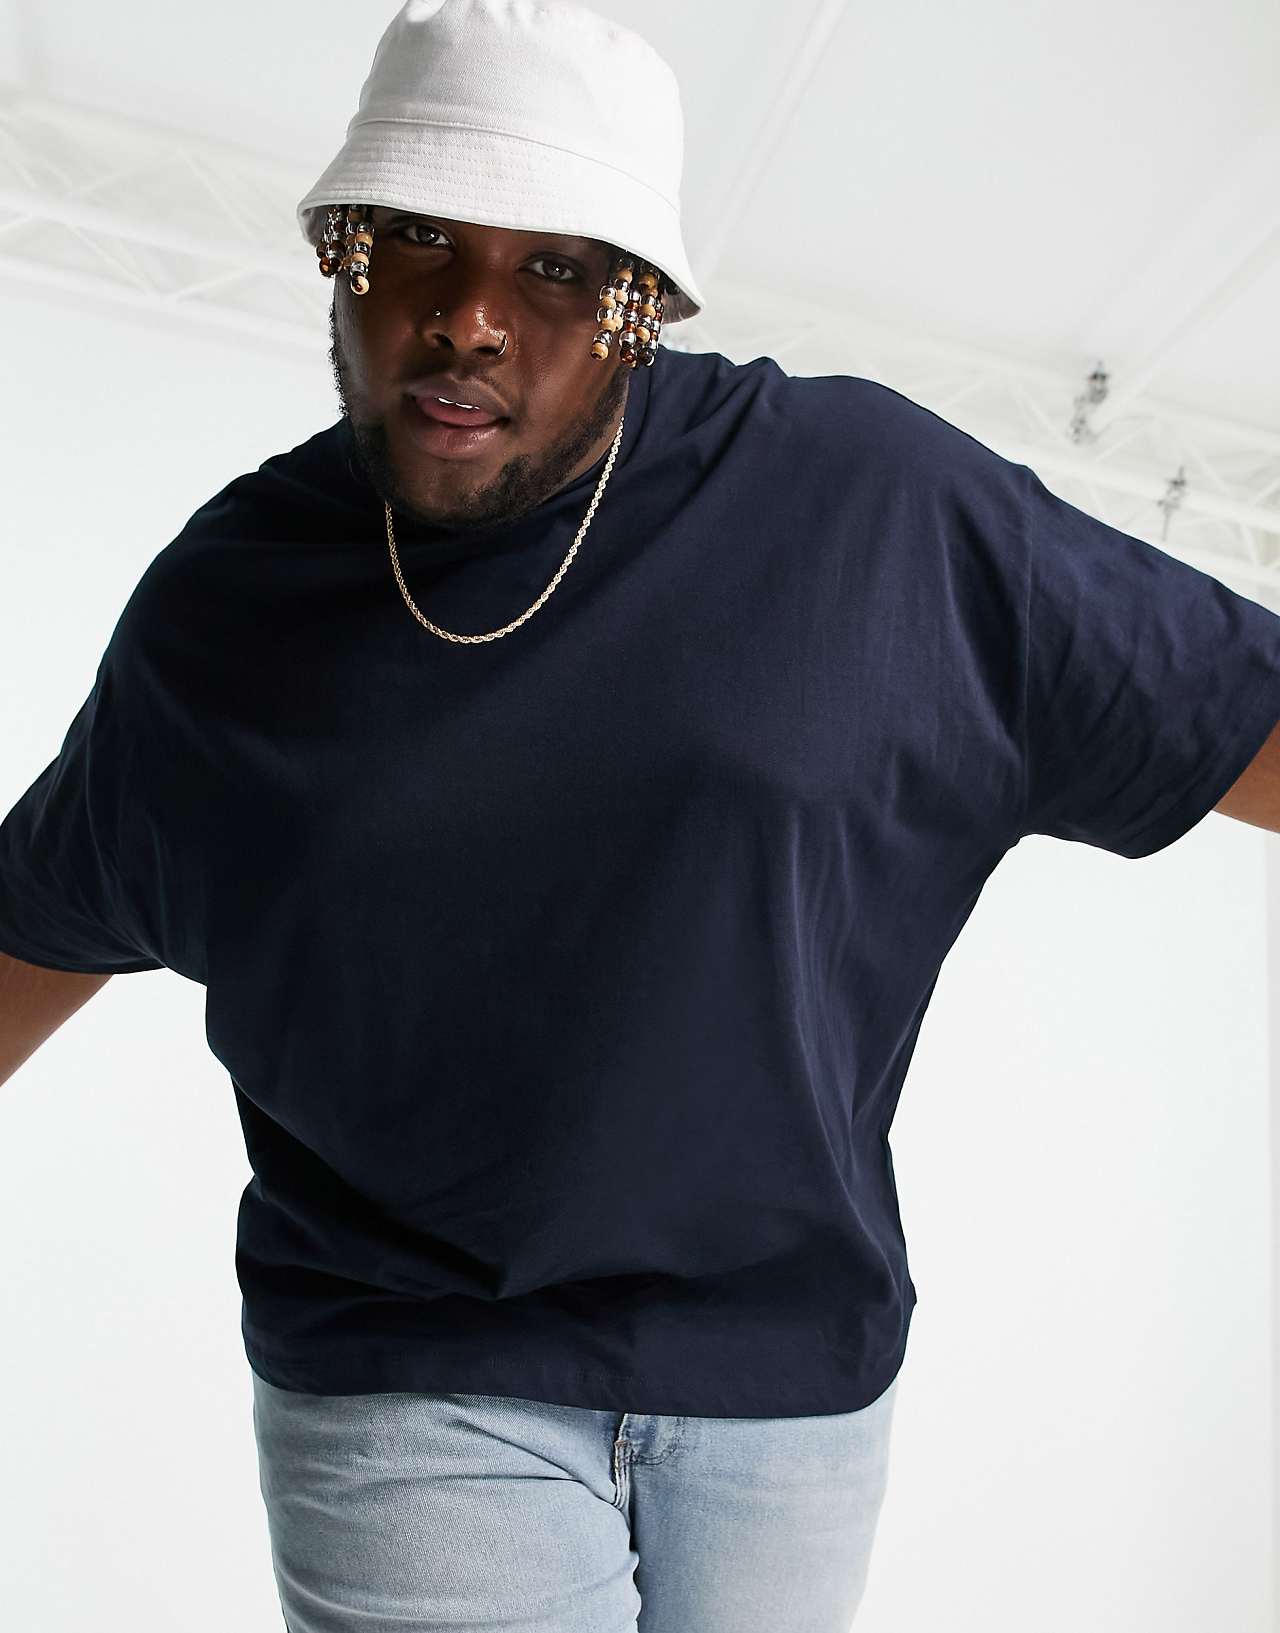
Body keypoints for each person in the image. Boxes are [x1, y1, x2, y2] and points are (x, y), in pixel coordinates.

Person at [3, 2, 1279, 1629]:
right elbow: (34, 920)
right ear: (342, 254)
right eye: (414, 240)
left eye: (553, 268)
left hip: (793, 1392)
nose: (468, 319)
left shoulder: (872, 512)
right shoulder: (233, 613)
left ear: (642, 307)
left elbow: (1233, 708)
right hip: (413, 1374)